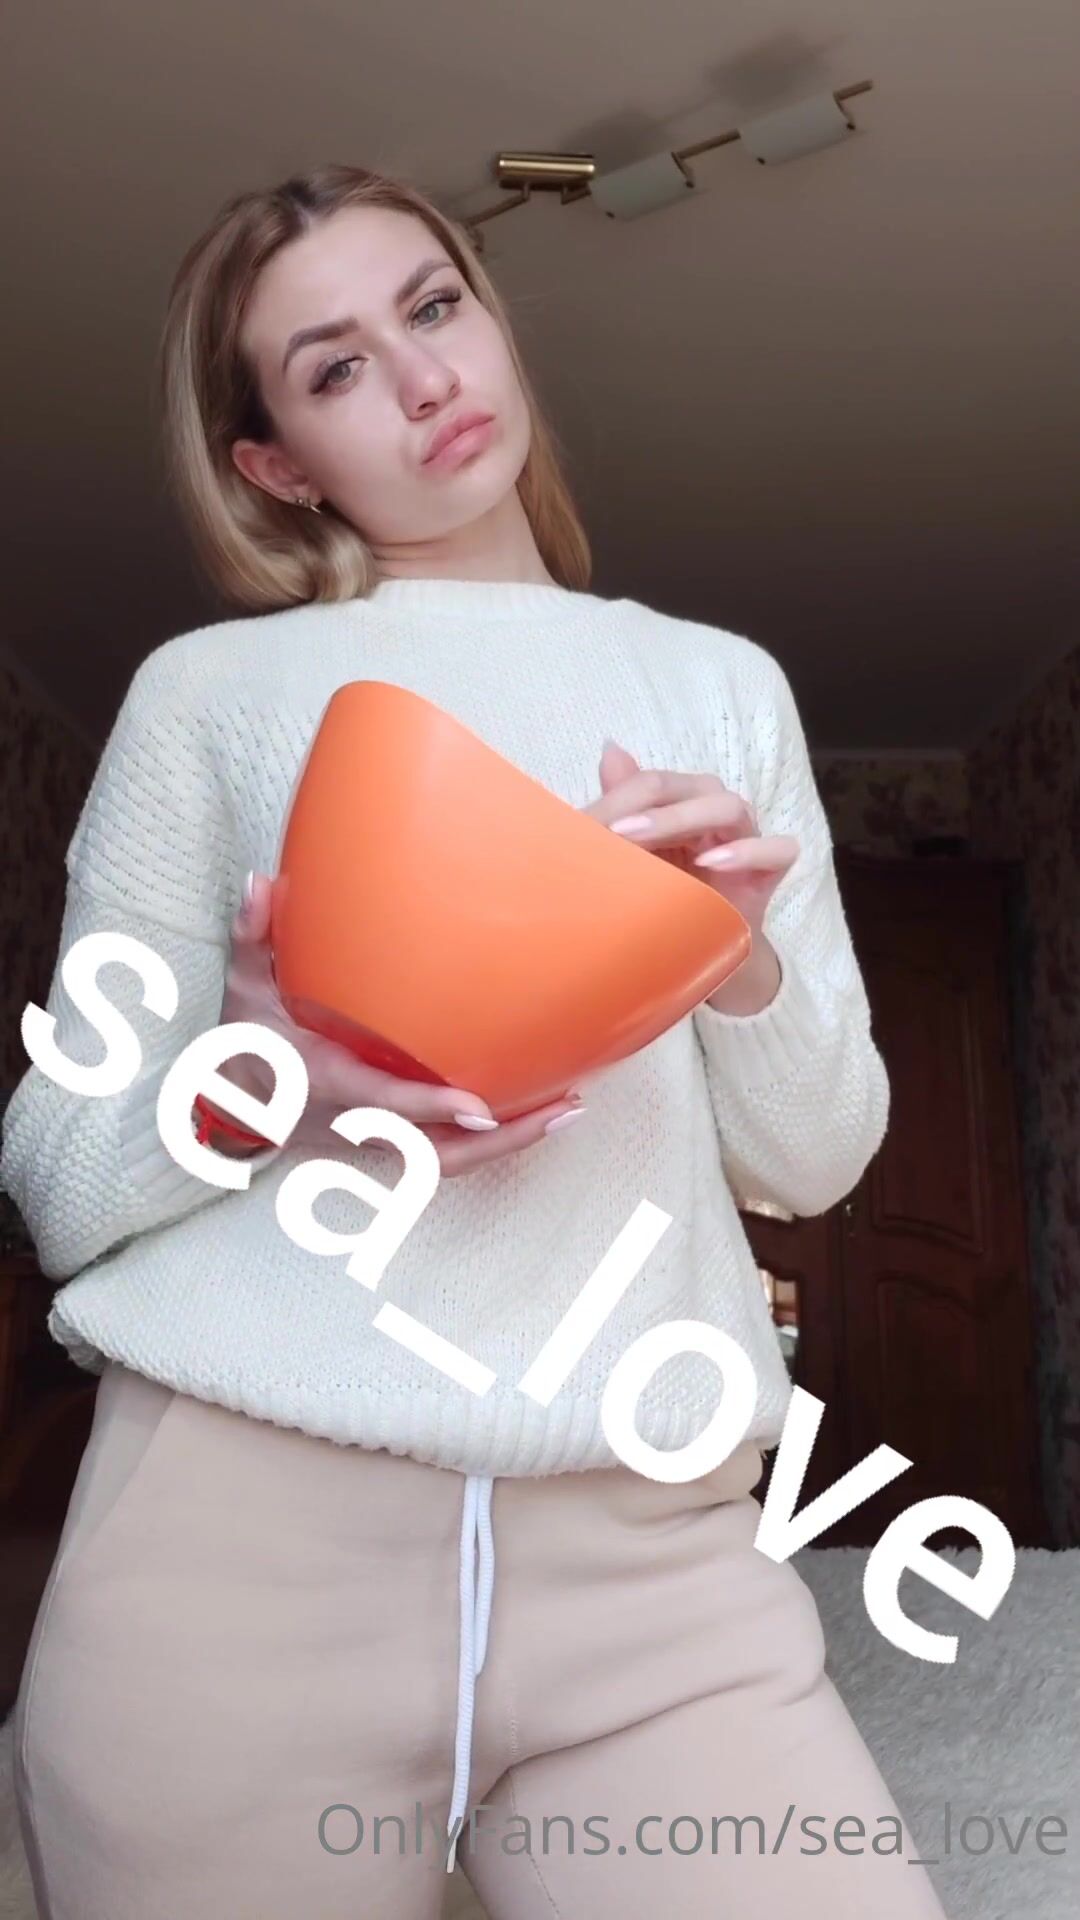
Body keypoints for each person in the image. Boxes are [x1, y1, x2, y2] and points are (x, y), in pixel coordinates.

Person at [2, 162, 949, 1919]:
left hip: (654, 1562)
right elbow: (61, 1180)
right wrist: (264, 1082)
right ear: (276, 463)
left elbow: (818, 1159)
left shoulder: (717, 688)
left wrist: (730, 958)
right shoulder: (206, 698)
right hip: (232, 1554)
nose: (425, 378)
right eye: (336, 366)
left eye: (434, 308)